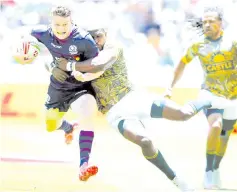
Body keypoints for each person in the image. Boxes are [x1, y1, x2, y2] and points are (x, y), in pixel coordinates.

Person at [57, 27, 198, 192]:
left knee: (183, 114)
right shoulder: (79, 57)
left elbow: (98, 65)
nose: (96, 40)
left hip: (135, 98)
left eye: (99, 36)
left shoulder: (112, 48)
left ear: (106, 36)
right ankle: (177, 179)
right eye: (91, 37)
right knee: (145, 142)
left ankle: (206, 100)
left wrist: (71, 66)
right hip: (115, 113)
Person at [11, 6, 113, 181]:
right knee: (51, 124)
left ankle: (83, 165)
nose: (61, 28)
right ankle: (68, 127)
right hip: (58, 86)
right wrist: (21, 54)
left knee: (88, 112)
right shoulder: (43, 33)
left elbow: (99, 67)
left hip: (81, 85)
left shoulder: (84, 39)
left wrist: (85, 75)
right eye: (57, 24)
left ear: (71, 21)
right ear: (51, 22)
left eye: (65, 24)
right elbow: (25, 39)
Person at [166, 6, 237, 189]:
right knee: (216, 125)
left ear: (220, 23)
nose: (207, 24)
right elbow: (182, 64)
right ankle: (208, 172)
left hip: (233, 96)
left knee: (224, 136)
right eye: (204, 21)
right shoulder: (197, 45)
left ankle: (215, 170)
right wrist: (170, 86)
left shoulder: (233, 41)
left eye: (211, 21)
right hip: (210, 93)